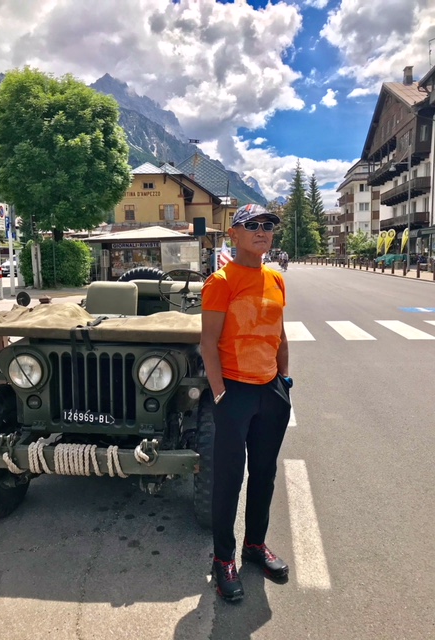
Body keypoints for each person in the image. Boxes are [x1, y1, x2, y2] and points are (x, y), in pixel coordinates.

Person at [201, 203, 292, 603]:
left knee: (264, 474)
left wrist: (284, 380)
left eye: (268, 225)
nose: (262, 230)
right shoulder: (221, 281)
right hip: (234, 392)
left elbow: (280, 335)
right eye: (251, 224)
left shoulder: (276, 278)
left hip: (270, 390)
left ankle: (255, 545)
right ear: (233, 234)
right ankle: (223, 559)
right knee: (228, 478)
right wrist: (220, 393)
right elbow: (208, 343)